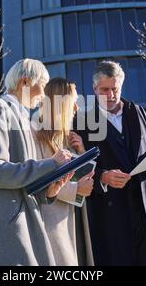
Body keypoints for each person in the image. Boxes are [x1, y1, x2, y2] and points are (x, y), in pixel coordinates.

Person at [75, 61, 146, 266]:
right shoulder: (82, 119)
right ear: (94, 89)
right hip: (112, 208)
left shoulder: (136, 111)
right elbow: (80, 163)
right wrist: (103, 176)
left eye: (115, 89)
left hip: (145, 200)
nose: (110, 95)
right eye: (105, 90)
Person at [0, 59, 73, 266]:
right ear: (25, 82)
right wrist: (51, 164)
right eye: (42, 85)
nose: (44, 94)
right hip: (8, 228)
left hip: (26, 221)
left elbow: (25, 178)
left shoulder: (25, 121)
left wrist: (49, 191)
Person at [33, 77, 95, 266]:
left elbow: (78, 172)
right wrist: (76, 189)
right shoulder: (37, 134)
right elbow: (39, 180)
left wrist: (82, 152)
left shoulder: (67, 136)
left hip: (73, 217)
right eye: (73, 102)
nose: (76, 108)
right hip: (53, 221)